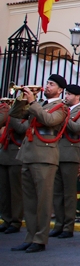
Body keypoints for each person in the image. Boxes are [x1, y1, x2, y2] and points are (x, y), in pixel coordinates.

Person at [10, 74, 69, 254]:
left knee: (43, 200)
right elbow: (15, 115)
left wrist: (33, 102)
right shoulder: (40, 104)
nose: (47, 86)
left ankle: (40, 238)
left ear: (60, 90)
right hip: (28, 154)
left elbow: (49, 121)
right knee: (29, 200)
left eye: (51, 84)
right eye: (48, 83)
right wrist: (22, 99)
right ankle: (30, 236)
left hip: (45, 156)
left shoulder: (62, 107)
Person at [50, 84, 80, 238]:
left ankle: (68, 226)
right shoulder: (62, 109)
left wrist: (64, 115)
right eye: (65, 94)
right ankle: (59, 224)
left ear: (77, 96)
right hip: (56, 153)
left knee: (68, 192)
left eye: (69, 94)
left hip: (70, 154)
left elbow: (76, 128)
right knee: (57, 192)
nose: (66, 97)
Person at [0, 100, 25, 234]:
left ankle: (15, 221)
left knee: (15, 192)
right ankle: (6, 219)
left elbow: (22, 128)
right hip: (5, 152)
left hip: (16, 153)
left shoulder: (20, 112)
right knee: (4, 191)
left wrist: (12, 114)